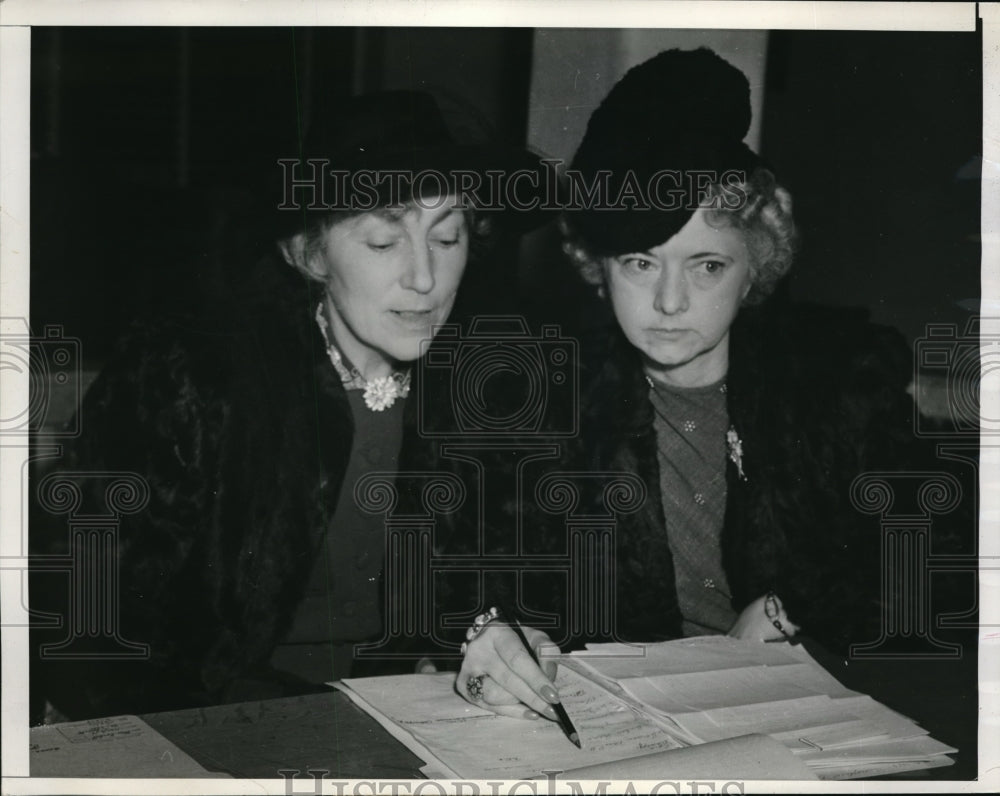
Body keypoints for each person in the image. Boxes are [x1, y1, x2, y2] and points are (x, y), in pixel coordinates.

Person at [429, 48, 972, 722]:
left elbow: (937, 566)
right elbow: (468, 572)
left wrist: (792, 615)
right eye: (639, 262)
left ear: (756, 265)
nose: (669, 301)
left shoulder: (837, 384)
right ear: (597, 267)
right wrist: (496, 631)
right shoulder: (542, 401)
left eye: (707, 265)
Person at [29, 89, 544, 721]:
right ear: (310, 251)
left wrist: (489, 637)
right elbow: (89, 624)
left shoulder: (485, 392)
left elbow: (504, 591)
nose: (424, 278)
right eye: (384, 242)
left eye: (447, 238)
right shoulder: (195, 380)